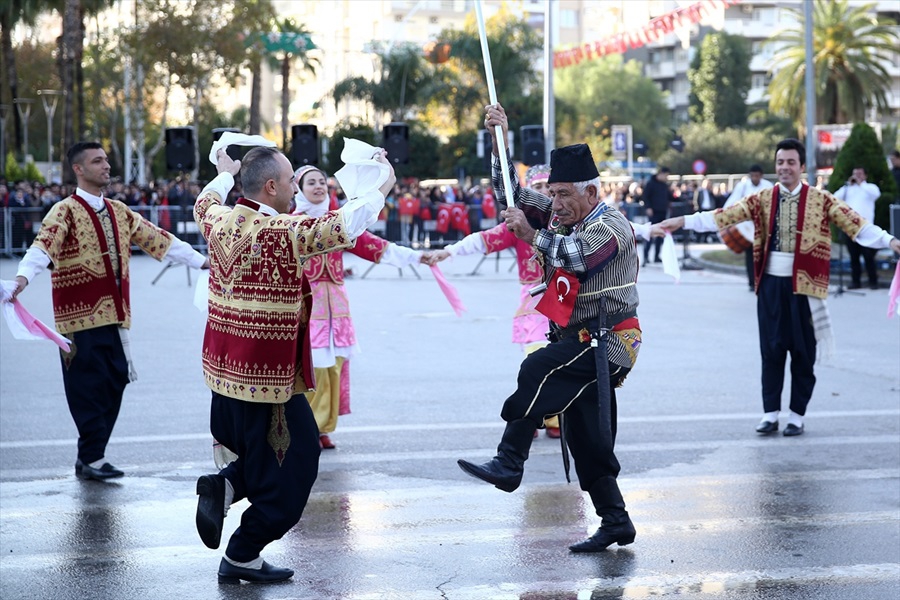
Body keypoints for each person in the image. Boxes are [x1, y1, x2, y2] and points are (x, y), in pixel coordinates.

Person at [192, 144, 394, 584]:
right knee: (297, 466)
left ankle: (225, 486)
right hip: (268, 382)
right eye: (288, 182)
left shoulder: (218, 220)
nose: (292, 190)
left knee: (264, 458)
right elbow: (345, 224)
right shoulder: (283, 230)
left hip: (223, 376)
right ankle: (243, 550)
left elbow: (203, 201)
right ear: (271, 187)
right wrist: (383, 184)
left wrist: (224, 173)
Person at [457, 104, 642, 553]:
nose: (554, 204)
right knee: (587, 439)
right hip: (578, 340)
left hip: (609, 341)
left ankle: (510, 460)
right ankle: (617, 522)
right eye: (553, 194)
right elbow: (516, 196)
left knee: (536, 368)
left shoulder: (610, 225)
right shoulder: (565, 216)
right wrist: (500, 142)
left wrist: (530, 235)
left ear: (592, 191)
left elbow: (575, 257)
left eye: (562, 195)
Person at [658, 139, 900, 437]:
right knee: (771, 350)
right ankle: (770, 413)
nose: (784, 167)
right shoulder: (762, 199)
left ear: (800, 167)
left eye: (790, 162)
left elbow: (857, 225)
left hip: (806, 288)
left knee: (803, 352)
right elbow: (721, 216)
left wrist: (890, 241)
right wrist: (680, 221)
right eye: (780, 162)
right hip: (771, 285)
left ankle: (797, 415)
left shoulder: (822, 199)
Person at [9, 141, 209, 480]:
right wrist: (22, 280)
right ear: (79, 169)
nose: (106, 166)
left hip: (116, 316)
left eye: (105, 160)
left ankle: (91, 455)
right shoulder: (64, 211)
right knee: (86, 386)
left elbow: (158, 239)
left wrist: (203, 261)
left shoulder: (120, 210)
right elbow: (42, 247)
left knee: (115, 378)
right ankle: (92, 456)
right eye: (97, 161)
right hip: (76, 319)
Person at [292, 165, 430, 449]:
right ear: (298, 189)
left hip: (338, 307)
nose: (318, 187)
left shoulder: (338, 222)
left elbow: (373, 246)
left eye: (322, 182)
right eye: (311, 183)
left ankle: (322, 428)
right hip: (307, 305)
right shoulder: (291, 222)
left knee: (335, 367)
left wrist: (418, 257)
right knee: (313, 367)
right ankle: (305, 427)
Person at [429, 164, 561, 439]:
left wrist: (652, 230)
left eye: (548, 189)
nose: (542, 195)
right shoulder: (518, 223)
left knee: (563, 362)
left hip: (564, 299)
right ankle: (531, 416)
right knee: (536, 360)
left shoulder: (568, 221)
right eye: (536, 188)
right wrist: (450, 251)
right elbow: (483, 240)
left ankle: (557, 420)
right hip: (533, 302)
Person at [727, 165, 774, 290]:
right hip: (747, 228)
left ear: (761, 176)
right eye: (752, 176)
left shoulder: (768, 186)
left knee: (763, 255)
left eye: (757, 176)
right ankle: (752, 282)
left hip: (763, 227)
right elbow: (731, 204)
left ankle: (763, 280)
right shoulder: (742, 187)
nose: (755, 178)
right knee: (750, 255)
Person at [834, 167, 882, 290]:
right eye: (855, 174)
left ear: (865, 176)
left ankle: (873, 281)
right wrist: (847, 185)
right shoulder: (848, 189)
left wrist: (861, 183)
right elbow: (835, 198)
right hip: (850, 228)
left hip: (866, 227)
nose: (856, 176)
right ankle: (856, 281)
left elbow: (876, 194)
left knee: (868, 256)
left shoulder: (870, 188)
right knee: (853, 256)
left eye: (860, 174)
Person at [641, 166, 673, 264]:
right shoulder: (650, 184)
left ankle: (656, 256)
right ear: (661, 174)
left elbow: (669, 196)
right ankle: (645, 256)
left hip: (662, 211)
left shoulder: (664, 185)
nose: (667, 178)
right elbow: (645, 197)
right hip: (654, 212)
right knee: (650, 234)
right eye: (666, 175)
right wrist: (648, 207)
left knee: (660, 235)